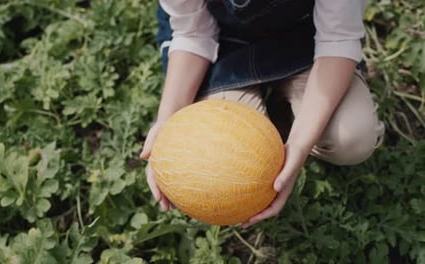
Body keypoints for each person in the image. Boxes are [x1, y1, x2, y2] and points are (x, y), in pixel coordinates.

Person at [140, 0, 385, 228]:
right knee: (223, 166)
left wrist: (299, 146)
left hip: (308, 36)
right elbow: (193, 34)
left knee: (352, 137)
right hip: (223, 45)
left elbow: (337, 39)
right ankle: (275, 115)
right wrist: (168, 123)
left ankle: (288, 117)